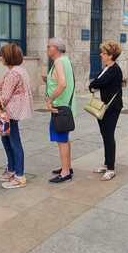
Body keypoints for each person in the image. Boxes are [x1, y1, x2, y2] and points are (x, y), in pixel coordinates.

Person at [0, 43, 33, 189]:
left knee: (14, 142)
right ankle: (11, 170)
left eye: (3, 55)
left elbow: (4, 97)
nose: (1, 57)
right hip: (14, 111)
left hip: (10, 111)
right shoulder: (20, 70)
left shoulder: (12, 73)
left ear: (8, 57)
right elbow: (6, 86)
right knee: (7, 139)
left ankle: (19, 175)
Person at [89, 41, 124, 179]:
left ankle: (111, 168)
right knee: (105, 135)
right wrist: (93, 84)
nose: (101, 55)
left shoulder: (114, 69)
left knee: (109, 135)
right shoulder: (106, 68)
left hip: (112, 107)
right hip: (103, 107)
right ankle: (106, 163)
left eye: (103, 53)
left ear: (110, 55)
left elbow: (97, 83)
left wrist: (93, 84)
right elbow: (95, 82)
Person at [45, 38, 75, 183]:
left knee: (61, 140)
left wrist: (50, 99)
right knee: (65, 139)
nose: (47, 49)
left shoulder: (58, 62)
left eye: (49, 46)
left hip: (60, 106)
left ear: (55, 48)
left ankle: (65, 172)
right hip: (66, 105)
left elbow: (62, 84)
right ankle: (67, 167)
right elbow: (61, 81)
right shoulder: (65, 60)